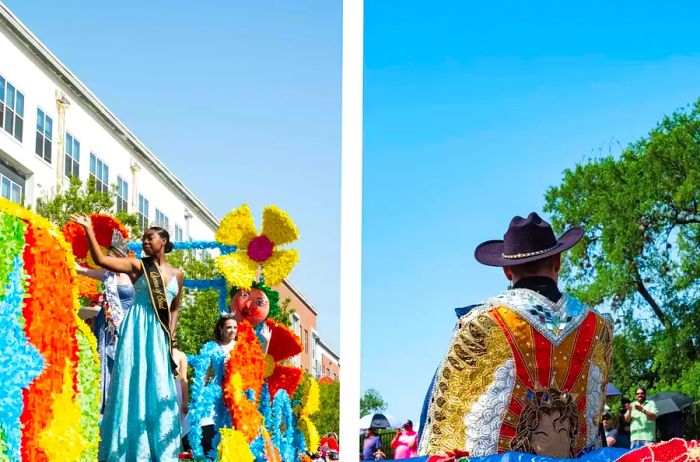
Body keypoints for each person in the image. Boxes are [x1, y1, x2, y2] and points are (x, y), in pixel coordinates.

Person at [418, 212, 614, 458]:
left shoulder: (482, 324)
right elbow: (595, 426)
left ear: (507, 271)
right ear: (558, 262)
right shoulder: (599, 327)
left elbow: (443, 429)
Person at [71, 214, 184, 461]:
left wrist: (171, 337)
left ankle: (160, 450)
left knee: (158, 385)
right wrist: (88, 230)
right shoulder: (137, 266)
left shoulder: (178, 274)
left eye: (149, 238)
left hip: (158, 335)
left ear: (163, 241)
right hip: (136, 329)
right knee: (132, 382)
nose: (144, 242)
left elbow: (175, 308)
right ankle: (129, 450)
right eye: (143, 238)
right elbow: (101, 259)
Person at [74, 230, 135, 417]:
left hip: (126, 325)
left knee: (122, 362)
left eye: (110, 257)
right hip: (105, 324)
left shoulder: (133, 275)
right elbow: (81, 269)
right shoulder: (106, 275)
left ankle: (123, 406)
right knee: (105, 362)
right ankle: (103, 406)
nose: (107, 261)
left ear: (120, 258)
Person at [172, 341, 191, 455]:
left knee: (178, 424)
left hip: (176, 392)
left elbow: (184, 379)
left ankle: (178, 453)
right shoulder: (158, 352)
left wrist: (185, 401)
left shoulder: (181, 355)